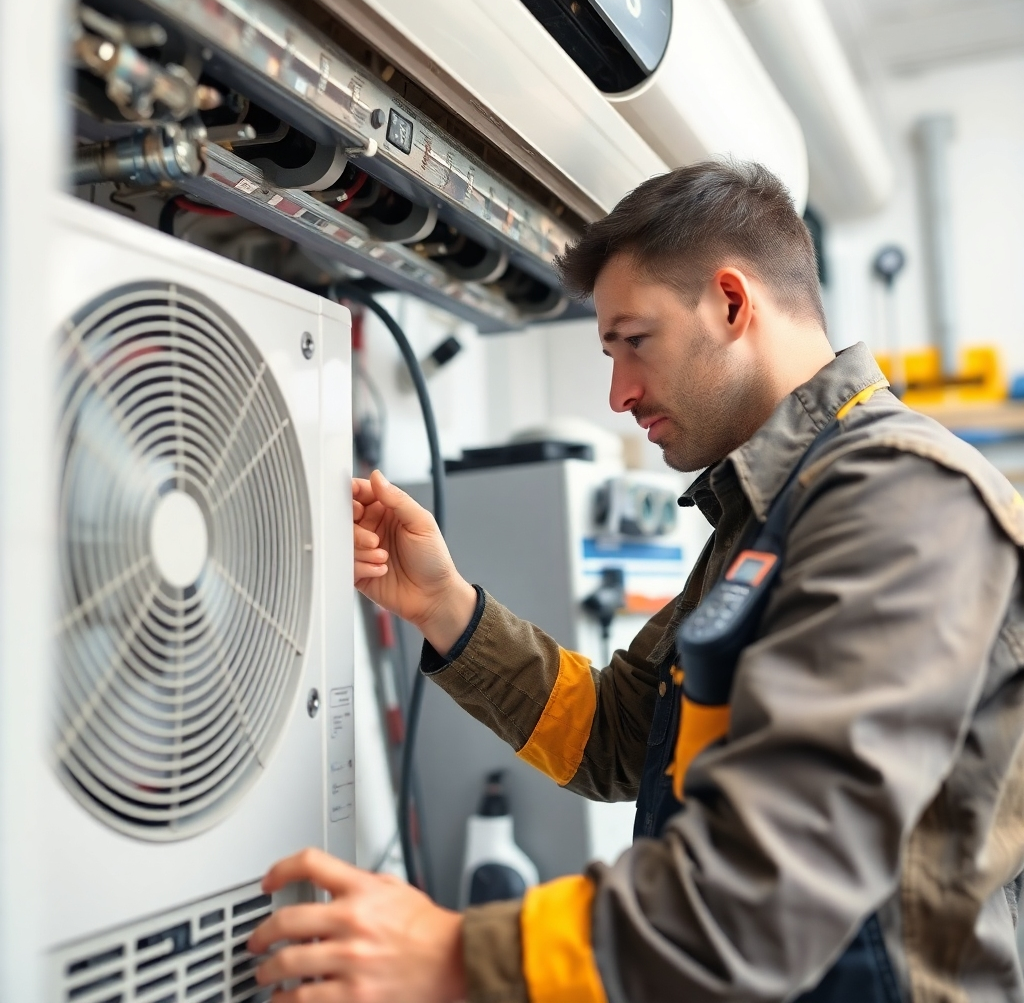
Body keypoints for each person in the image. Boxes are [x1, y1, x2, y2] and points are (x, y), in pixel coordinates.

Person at [247, 161, 1024, 1003]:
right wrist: (446, 607)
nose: (618, 393)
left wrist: (456, 954)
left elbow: (772, 889)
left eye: (634, 341)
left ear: (733, 302)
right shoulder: (767, 513)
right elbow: (623, 738)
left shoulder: (897, 498)